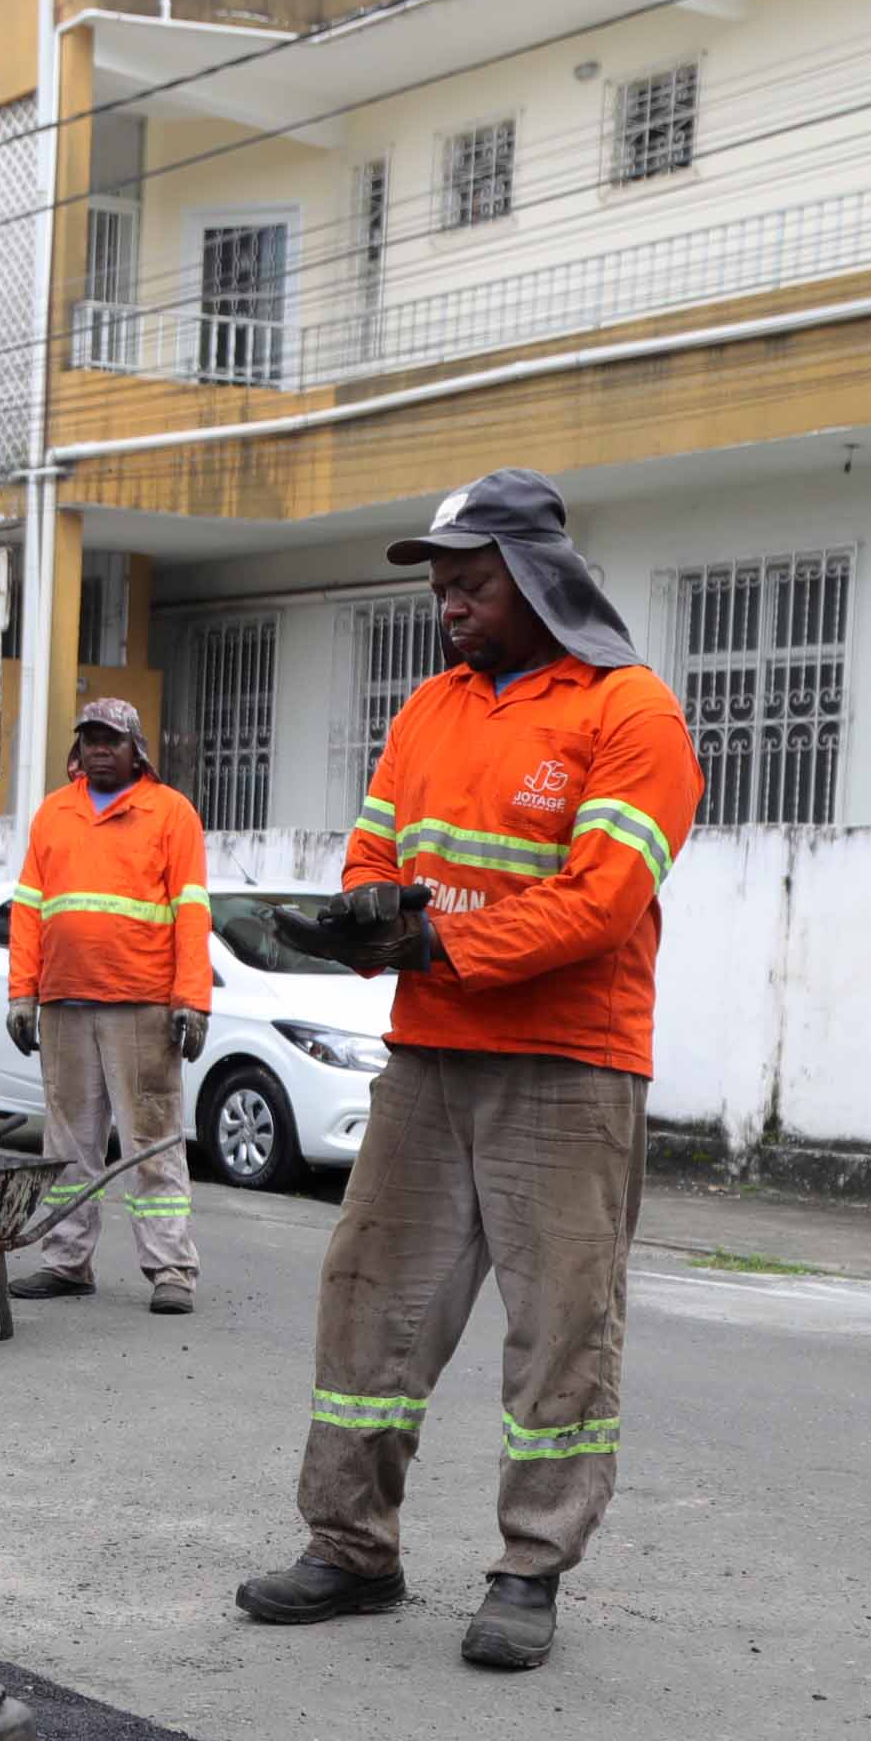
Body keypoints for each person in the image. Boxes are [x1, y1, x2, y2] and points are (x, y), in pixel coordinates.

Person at [234, 470, 701, 1674]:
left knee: (560, 1328)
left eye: (470, 582)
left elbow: (600, 902)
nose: (447, 603)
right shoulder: (428, 710)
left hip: (569, 1067)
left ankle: (528, 1570)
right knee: (370, 1302)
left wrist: (440, 942)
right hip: (430, 1060)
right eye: (440, 585)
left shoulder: (630, 714)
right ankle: (351, 1549)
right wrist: (361, 911)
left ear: (540, 578)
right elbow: (378, 844)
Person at [3, 700, 208, 1315]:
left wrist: (192, 1002)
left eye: (110, 740)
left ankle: (171, 1268)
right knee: (66, 1145)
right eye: (89, 738)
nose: (98, 748)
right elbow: (27, 911)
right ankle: (66, 1261)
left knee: (152, 1141)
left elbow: (192, 915)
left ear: (136, 749)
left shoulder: (170, 814)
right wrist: (21, 993)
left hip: (141, 1006)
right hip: (64, 1004)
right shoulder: (53, 814)